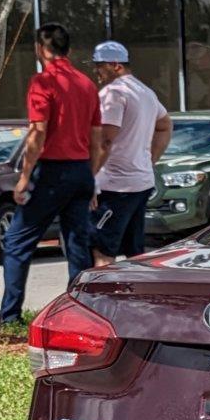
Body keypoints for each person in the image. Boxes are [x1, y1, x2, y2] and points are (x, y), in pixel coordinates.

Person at [0, 23, 103, 324]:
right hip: (82, 170)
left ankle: (9, 315)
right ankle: (81, 314)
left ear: (39, 49)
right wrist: (91, 177)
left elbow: (38, 133)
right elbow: (97, 138)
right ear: (67, 50)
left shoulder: (43, 82)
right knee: (76, 245)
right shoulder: (86, 84)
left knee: (18, 241)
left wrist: (23, 176)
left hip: (52, 173)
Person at [88, 40, 170, 268]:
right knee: (133, 252)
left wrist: (88, 178)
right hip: (140, 183)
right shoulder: (146, 92)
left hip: (115, 187)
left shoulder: (113, 93)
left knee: (102, 251)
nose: (96, 71)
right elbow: (165, 125)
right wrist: (149, 160)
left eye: (99, 65)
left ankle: (99, 301)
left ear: (116, 65)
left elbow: (105, 140)